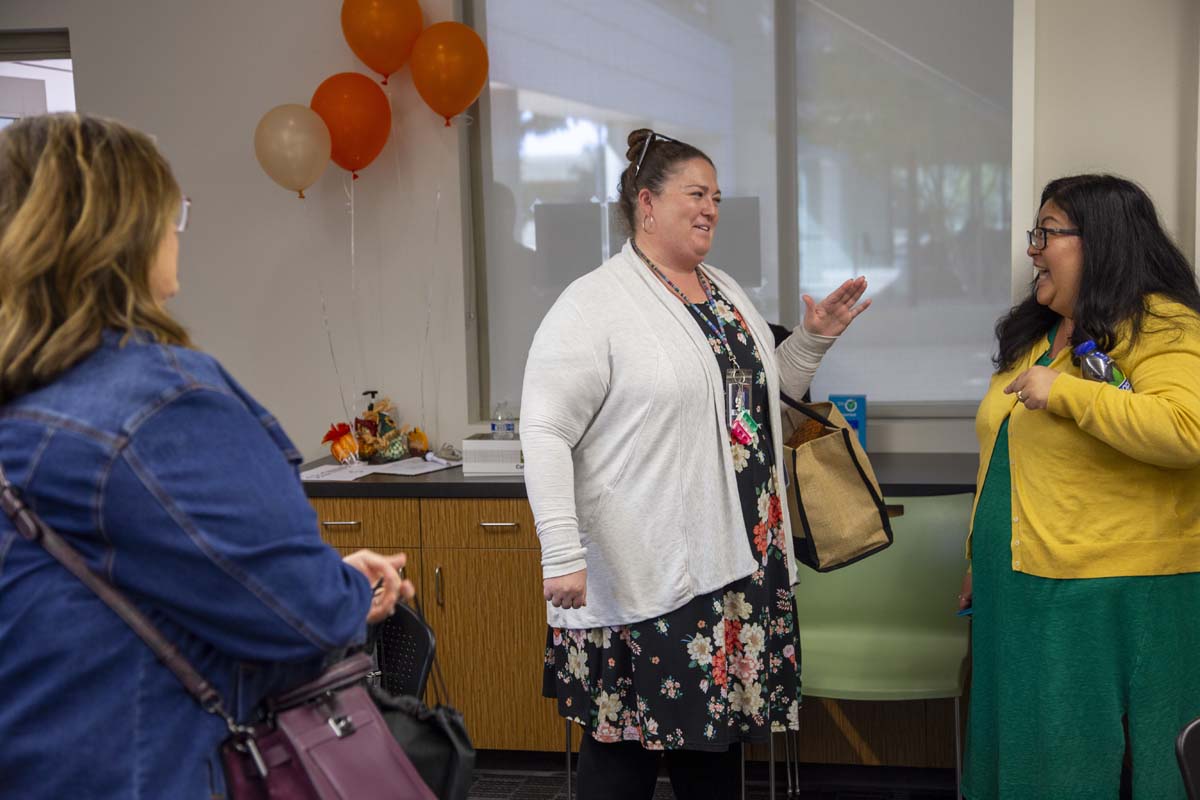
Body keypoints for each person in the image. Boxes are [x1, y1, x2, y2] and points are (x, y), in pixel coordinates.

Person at [0, 113, 415, 799]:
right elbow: (298, 617)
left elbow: (119, 575)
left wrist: (317, 577)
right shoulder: (161, 404)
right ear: (122, 231)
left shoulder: (28, 395)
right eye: (172, 212)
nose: (175, 233)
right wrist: (342, 590)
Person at [521, 128, 870, 797]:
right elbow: (543, 431)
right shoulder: (594, 305)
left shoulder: (723, 292)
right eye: (696, 193)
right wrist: (560, 550)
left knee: (714, 749)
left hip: (736, 560)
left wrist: (815, 337)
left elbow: (756, 397)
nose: (711, 207)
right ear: (646, 204)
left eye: (716, 196)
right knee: (622, 750)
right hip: (647, 567)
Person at [960, 174, 1200, 799]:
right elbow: (1003, 452)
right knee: (1031, 753)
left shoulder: (1162, 325)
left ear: (1103, 242)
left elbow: (1186, 431)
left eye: (1048, 233)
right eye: (1034, 234)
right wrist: (976, 554)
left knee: (1117, 757)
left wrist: (1066, 392)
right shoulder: (1040, 335)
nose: (1033, 249)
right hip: (1021, 579)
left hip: (1119, 583)